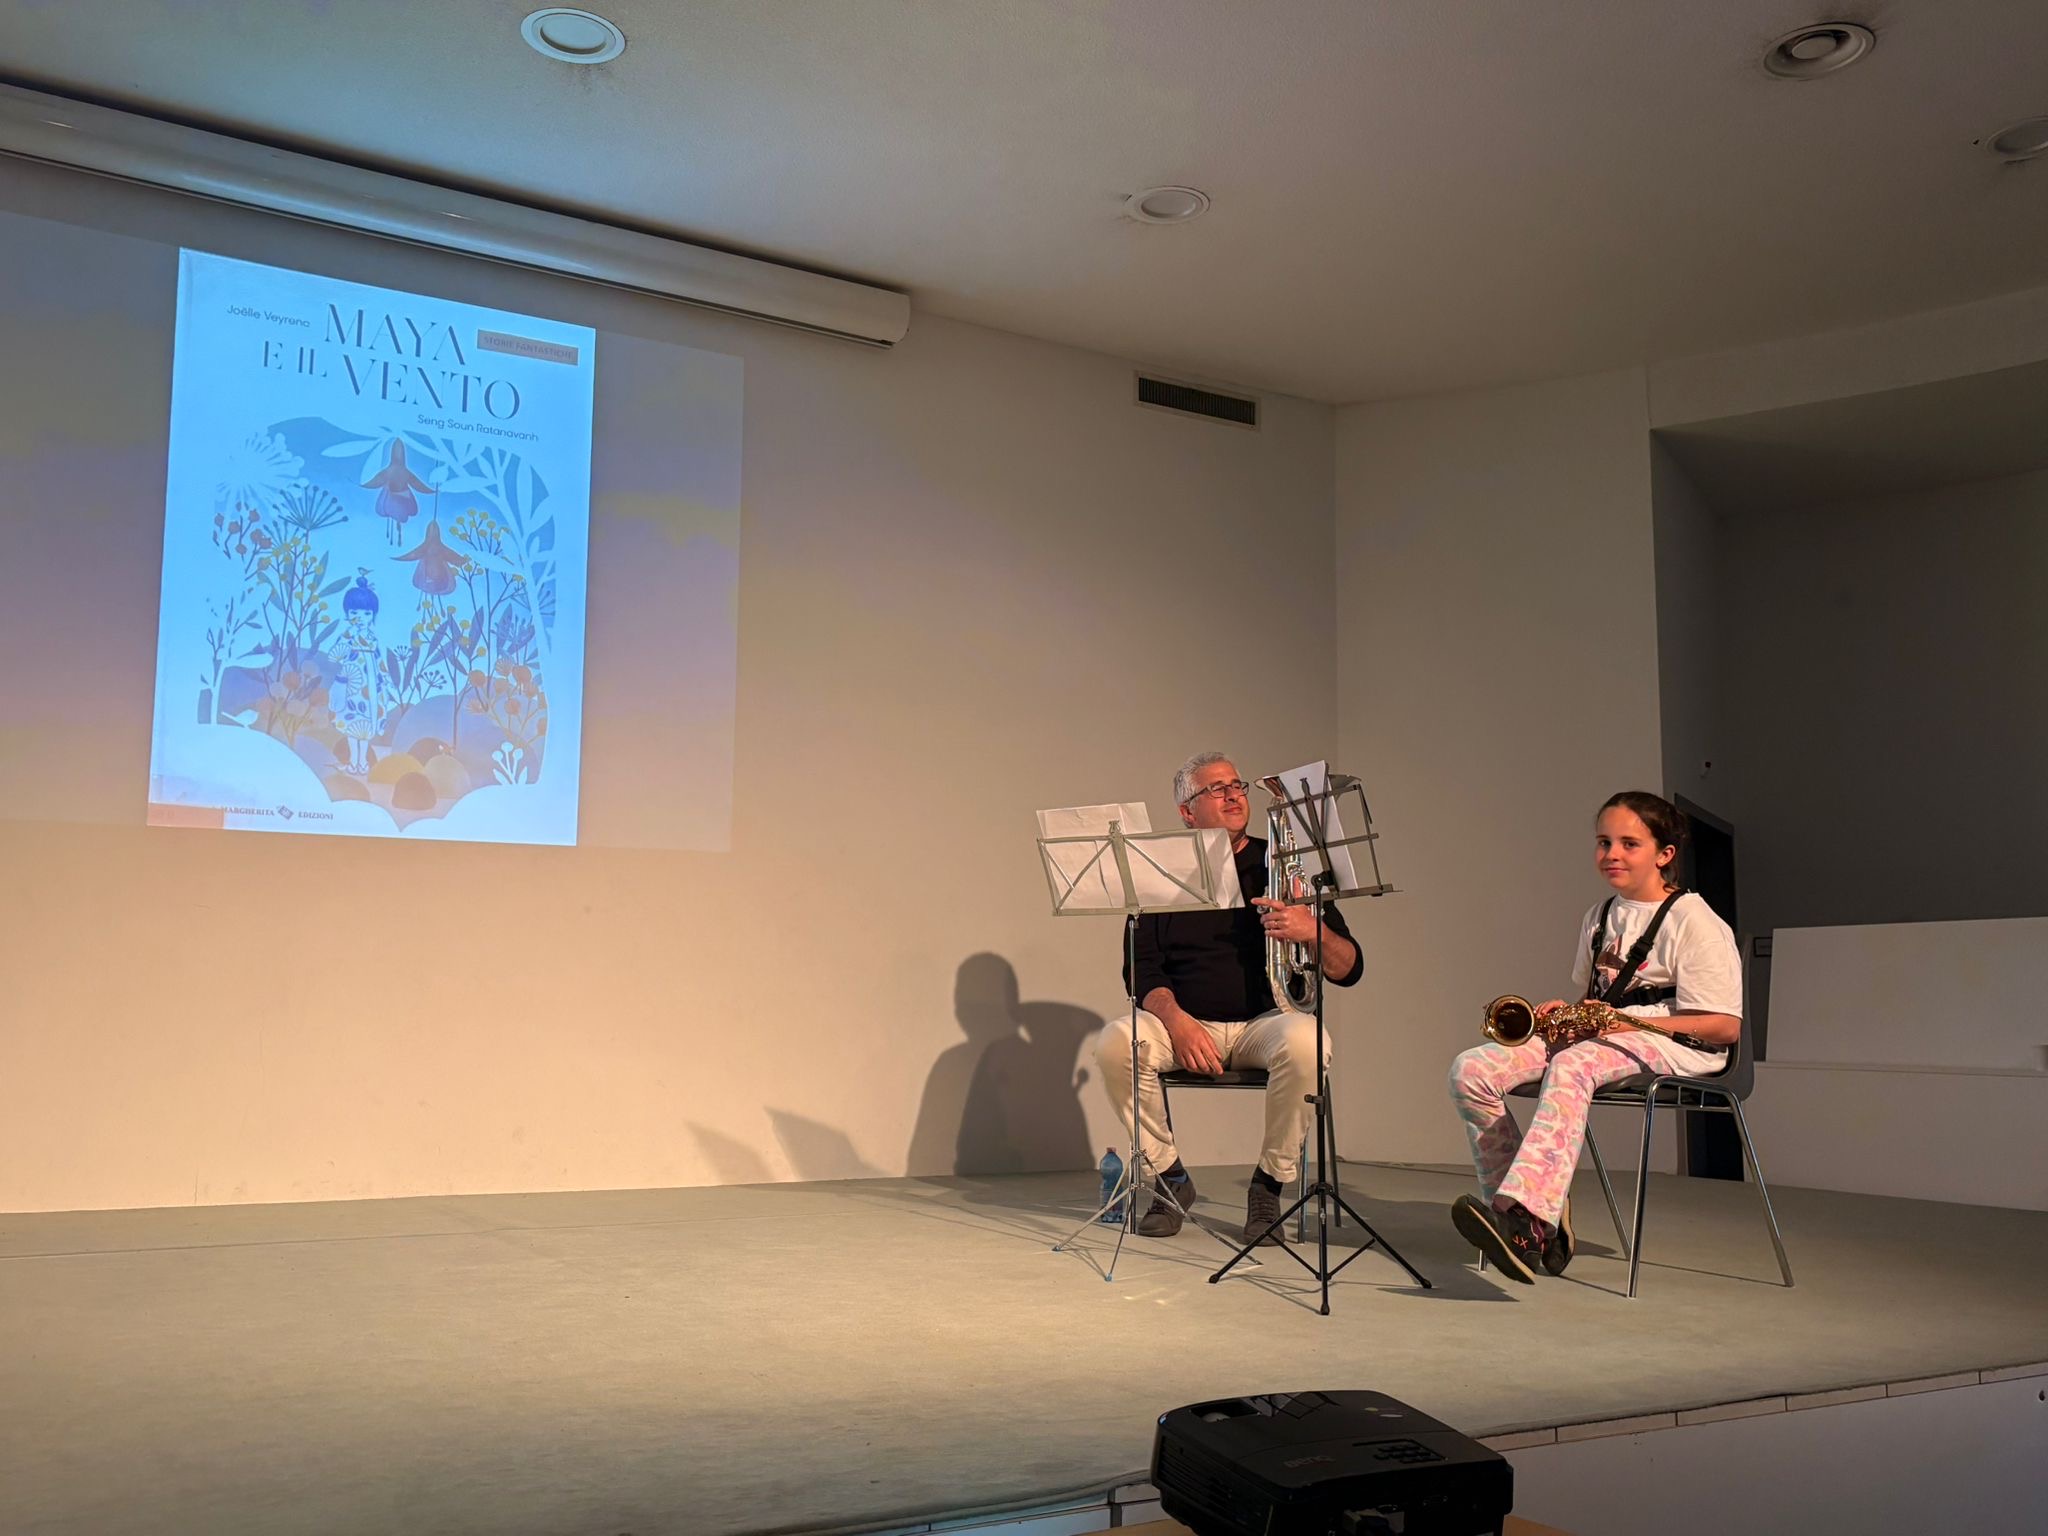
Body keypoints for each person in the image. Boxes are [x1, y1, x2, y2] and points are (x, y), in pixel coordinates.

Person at [1446, 790, 1742, 1283]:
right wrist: (1566, 1013)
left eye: (1629, 844)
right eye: (1604, 842)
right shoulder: (1599, 916)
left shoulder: (1696, 920)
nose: (1611, 855)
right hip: (1609, 1037)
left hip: (1682, 1045)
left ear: (1665, 854)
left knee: (1574, 1064)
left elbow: (1724, 1027)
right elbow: (1598, 995)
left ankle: (1526, 1218)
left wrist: (1629, 1023)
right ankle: (1524, 1215)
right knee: (1471, 1069)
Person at [1096, 751, 1365, 1245]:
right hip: (1184, 1025)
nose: (1233, 795)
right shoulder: (1160, 873)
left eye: (1237, 785)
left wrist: (1311, 930)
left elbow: (1350, 968)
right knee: (1115, 1043)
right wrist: (1176, 1020)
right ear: (1187, 811)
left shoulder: (1283, 866)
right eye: (1215, 789)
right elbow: (1141, 969)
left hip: (1264, 1022)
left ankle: (1268, 1187)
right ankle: (1170, 1179)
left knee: (1309, 1041)